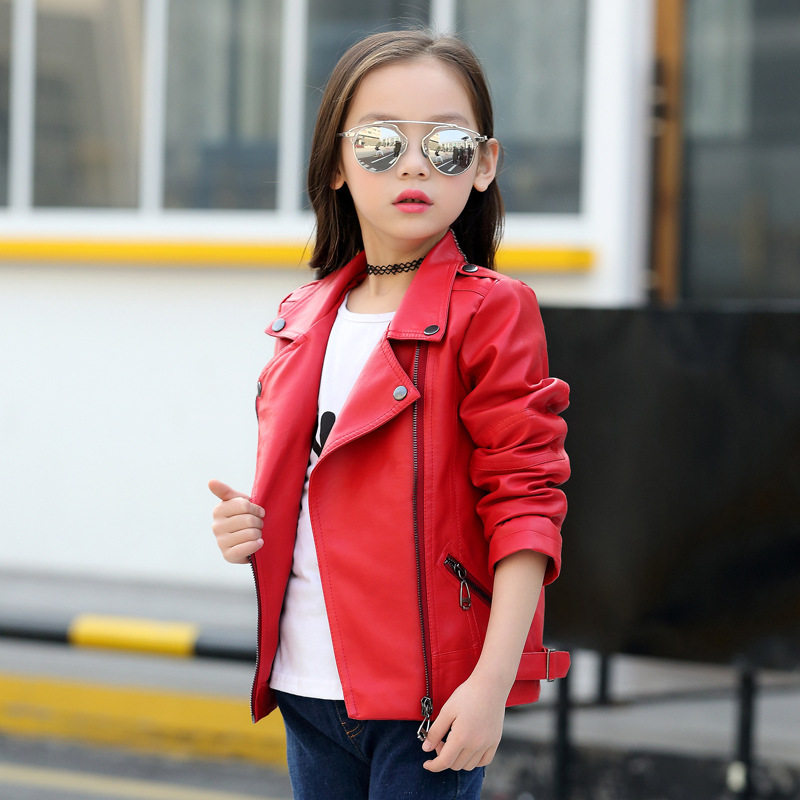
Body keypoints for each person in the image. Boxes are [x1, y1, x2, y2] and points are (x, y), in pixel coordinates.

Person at [209, 29, 570, 800]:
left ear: (485, 164)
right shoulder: (302, 315)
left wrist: (491, 684)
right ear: (336, 165)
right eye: (379, 143)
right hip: (304, 684)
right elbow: (319, 485)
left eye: (447, 144)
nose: (413, 164)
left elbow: (525, 506)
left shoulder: (492, 312)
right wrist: (250, 524)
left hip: (430, 702)